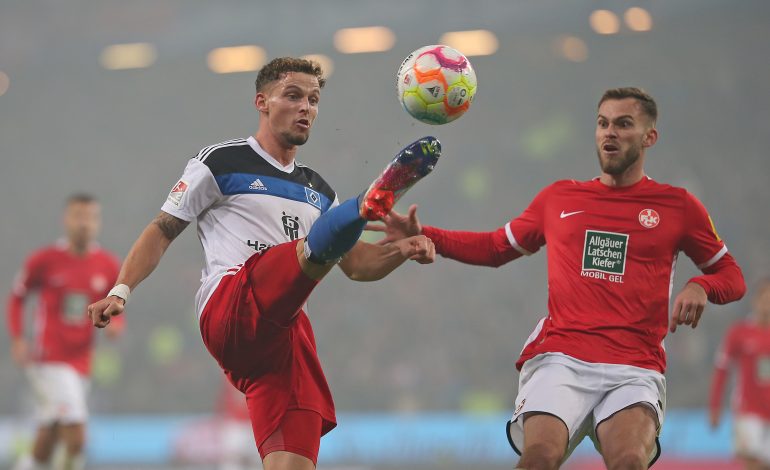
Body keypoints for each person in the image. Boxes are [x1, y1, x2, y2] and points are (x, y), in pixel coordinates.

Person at [86, 57, 440, 470]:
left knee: (293, 462)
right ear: (262, 102)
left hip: (282, 337)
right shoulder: (220, 161)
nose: (305, 107)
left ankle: (363, 208)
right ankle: (367, 202)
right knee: (305, 252)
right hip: (230, 305)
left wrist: (403, 249)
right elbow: (162, 230)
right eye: (293, 96)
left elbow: (359, 266)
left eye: (313, 99)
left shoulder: (318, 190)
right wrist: (119, 290)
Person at [374, 87, 747, 470]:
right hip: (562, 358)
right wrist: (426, 235)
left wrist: (701, 285)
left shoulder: (678, 206)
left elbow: (731, 276)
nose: (609, 133)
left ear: (649, 137)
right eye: (603, 124)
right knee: (540, 457)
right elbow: (495, 248)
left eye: (623, 124)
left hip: (635, 365)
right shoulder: (560, 198)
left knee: (629, 461)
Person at [6, 193, 123, 470]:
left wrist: (117, 324)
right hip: (48, 359)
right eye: (78, 216)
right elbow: (16, 297)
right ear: (66, 220)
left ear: (98, 222)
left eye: (91, 217)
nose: (85, 224)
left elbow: (117, 307)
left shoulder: (107, 265)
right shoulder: (44, 260)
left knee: (48, 438)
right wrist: (18, 337)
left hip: (82, 361)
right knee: (77, 436)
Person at [709, 279, 770, 470]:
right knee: (752, 463)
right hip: (747, 410)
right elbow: (722, 370)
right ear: (756, 301)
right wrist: (715, 406)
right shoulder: (739, 332)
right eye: (764, 298)